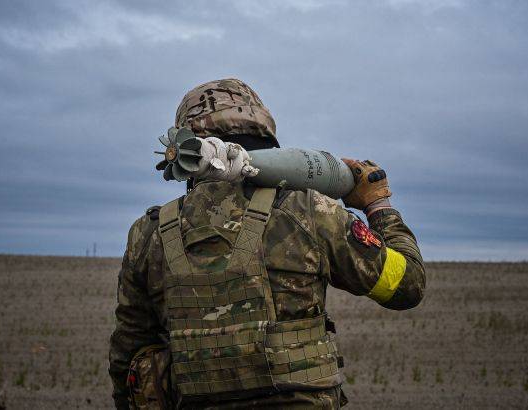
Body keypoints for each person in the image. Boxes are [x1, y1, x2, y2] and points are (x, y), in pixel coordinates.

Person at [109, 78, 425, 409]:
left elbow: (128, 356)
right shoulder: (311, 212)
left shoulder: (149, 234)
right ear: (266, 138)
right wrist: (378, 205)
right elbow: (407, 286)